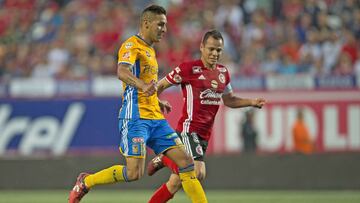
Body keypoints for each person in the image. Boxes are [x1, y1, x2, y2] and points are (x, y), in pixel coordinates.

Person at [68, 5, 207, 203]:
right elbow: (122, 72)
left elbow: (146, 85)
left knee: (187, 163)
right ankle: (86, 182)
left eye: (165, 25)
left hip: (155, 118)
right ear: (146, 23)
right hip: (135, 117)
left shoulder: (150, 50)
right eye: (160, 25)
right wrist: (142, 86)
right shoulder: (131, 45)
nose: (164, 29)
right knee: (134, 173)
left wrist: (157, 100)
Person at [147, 30, 266, 203]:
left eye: (218, 50)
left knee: (175, 183)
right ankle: (166, 158)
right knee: (198, 171)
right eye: (211, 49)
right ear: (202, 47)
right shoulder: (188, 69)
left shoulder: (223, 73)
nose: (214, 54)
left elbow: (229, 100)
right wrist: (157, 101)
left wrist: (251, 102)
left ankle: (166, 159)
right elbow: (160, 85)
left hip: (204, 135)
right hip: (189, 130)